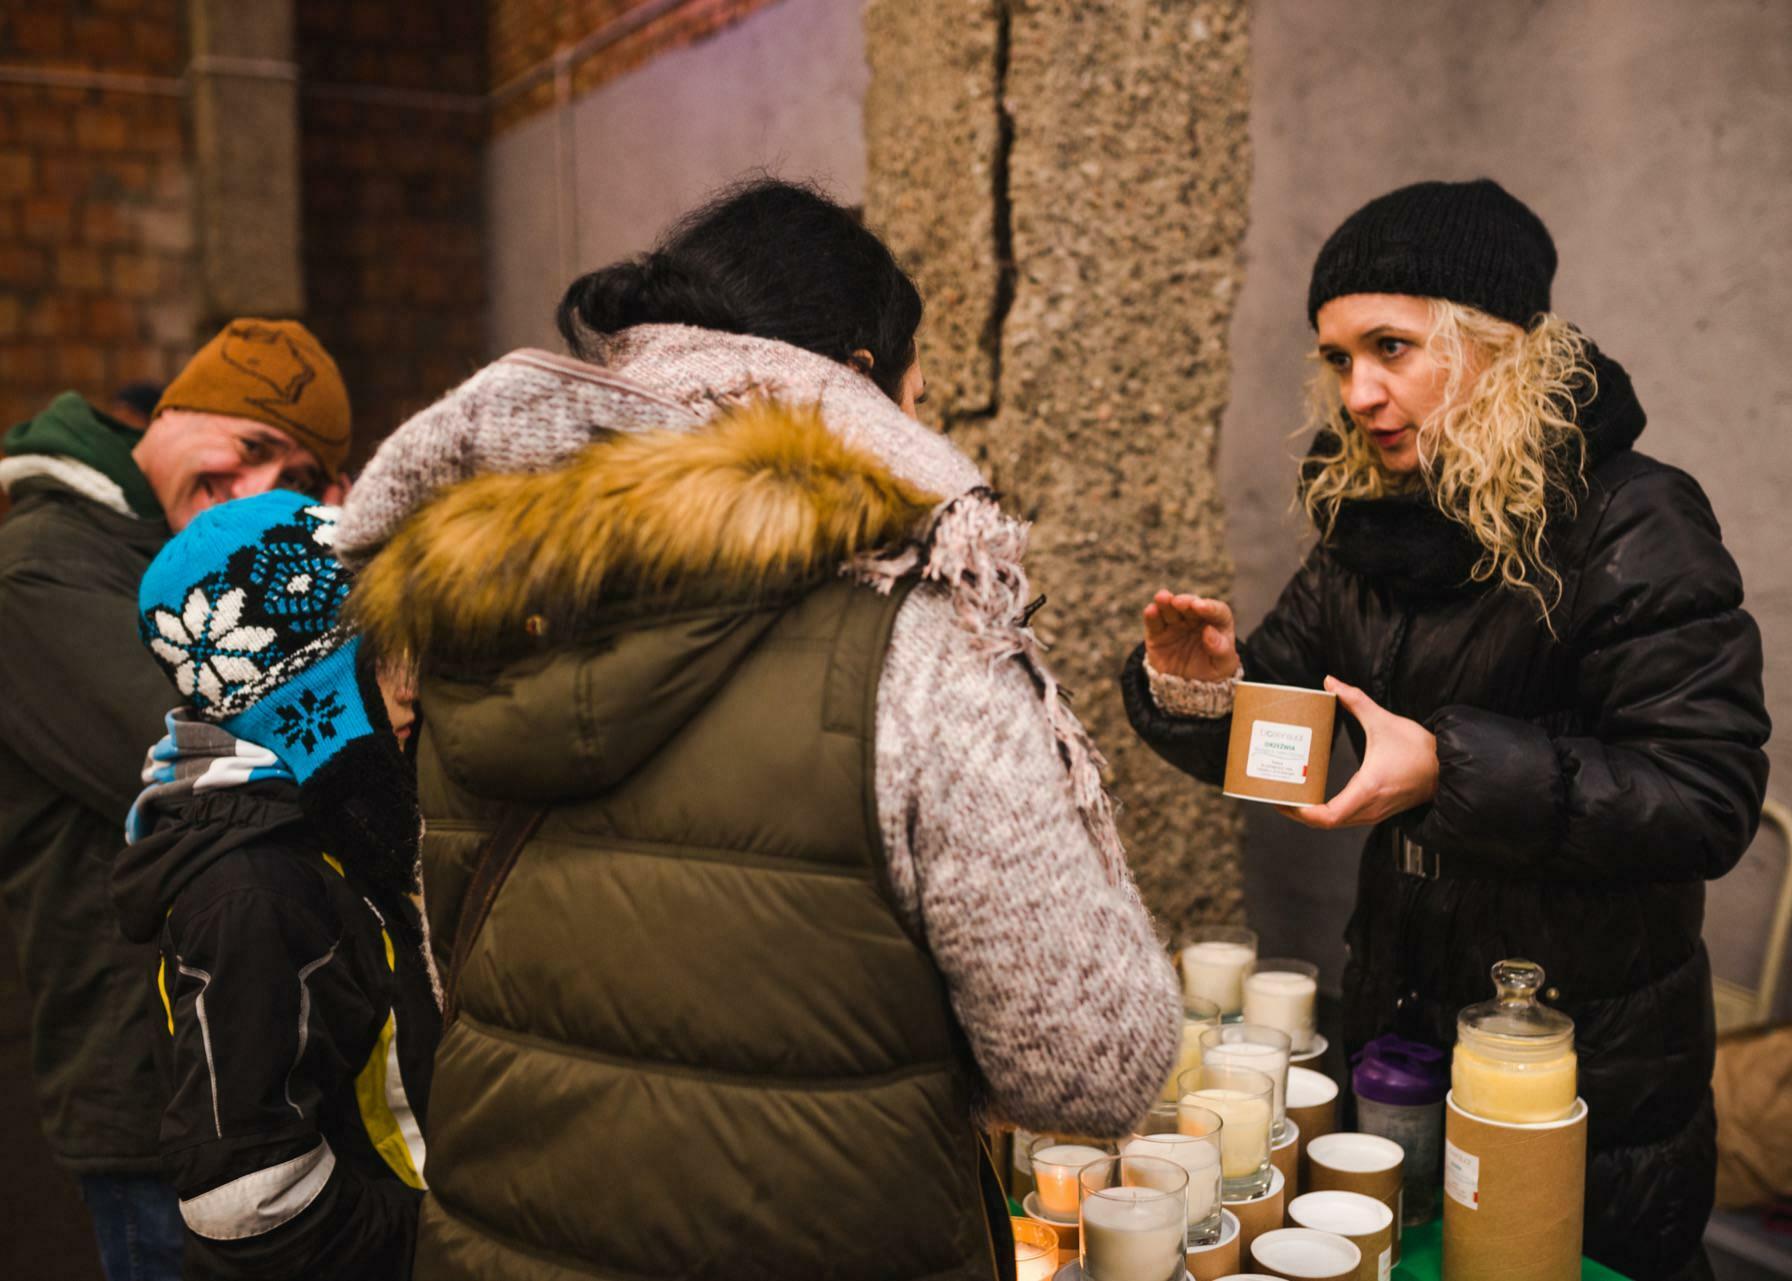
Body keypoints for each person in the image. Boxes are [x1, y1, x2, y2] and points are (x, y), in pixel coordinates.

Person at [335, 178, 1180, 1280]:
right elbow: (1092, 1067)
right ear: (862, 384)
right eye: (920, 398)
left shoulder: (474, 611)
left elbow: (471, 980)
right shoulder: (916, 636)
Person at [1121, 179, 1768, 1281]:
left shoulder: (1636, 516)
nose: (1361, 392)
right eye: (1337, 359)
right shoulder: (1368, 524)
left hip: (1578, 1055)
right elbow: (1296, 738)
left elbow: (1704, 799)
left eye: (1392, 346)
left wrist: (1448, 770)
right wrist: (1208, 693)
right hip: (1400, 1013)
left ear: (1500, 345)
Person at [0, 319, 350, 1281]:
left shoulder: (157, 551)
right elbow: (212, 758)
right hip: (152, 1096)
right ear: (178, 409)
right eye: (248, 445)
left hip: (246, 1074)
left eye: (296, 475)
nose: (253, 487)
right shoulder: (40, 566)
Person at [110, 491, 435, 1280]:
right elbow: (248, 1203)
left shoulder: (330, 824)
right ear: (309, 702)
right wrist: (436, 1244)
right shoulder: (251, 889)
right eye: (385, 653)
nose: (415, 685)